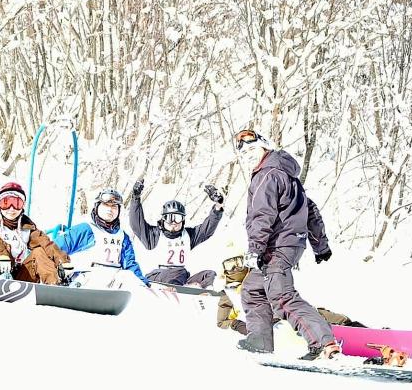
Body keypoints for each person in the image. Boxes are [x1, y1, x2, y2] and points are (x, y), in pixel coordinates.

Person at [233, 129, 341, 360]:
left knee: (281, 296)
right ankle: (260, 341)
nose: (249, 155)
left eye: (253, 149)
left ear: (265, 147)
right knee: (253, 289)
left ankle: (324, 343)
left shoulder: (267, 175)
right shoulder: (287, 174)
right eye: (244, 153)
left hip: (276, 246)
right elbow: (310, 210)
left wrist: (254, 249)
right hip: (289, 244)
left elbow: (261, 216)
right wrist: (320, 246)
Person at [216, 254, 366, 335]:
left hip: (286, 312)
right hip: (270, 326)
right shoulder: (228, 292)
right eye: (230, 264)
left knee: (319, 315)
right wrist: (238, 325)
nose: (235, 267)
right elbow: (222, 322)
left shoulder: (260, 274)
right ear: (224, 269)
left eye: (238, 262)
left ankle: (360, 332)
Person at [129, 179, 225, 288]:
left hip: (181, 278)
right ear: (163, 220)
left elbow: (207, 229)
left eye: (178, 218)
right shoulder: (154, 235)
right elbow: (136, 224)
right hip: (158, 278)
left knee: (210, 275)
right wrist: (135, 198)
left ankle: (197, 291)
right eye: (169, 218)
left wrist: (218, 205)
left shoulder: (188, 235)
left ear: (183, 220)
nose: (174, 222)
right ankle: (178, 288)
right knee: (175, 274)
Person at [0, 182, 72, 285]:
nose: (11, 208)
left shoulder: (27, 228)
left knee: (39, 252)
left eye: (17, 203)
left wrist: (63, 261)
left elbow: (46, 244)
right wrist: (1, 255)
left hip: (18, 277)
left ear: (23, 206)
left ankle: (55, 284)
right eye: (6, 203)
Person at [53, 189, 148, 289]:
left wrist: (143, 284)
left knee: (128, 277)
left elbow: (130, 264)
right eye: (106, 205)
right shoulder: (85, 230)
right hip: (84, 280)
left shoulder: (123, 237)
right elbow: (54, 249)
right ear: (97, 206)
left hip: (113, 282)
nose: (110, 209)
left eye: (114, 206)